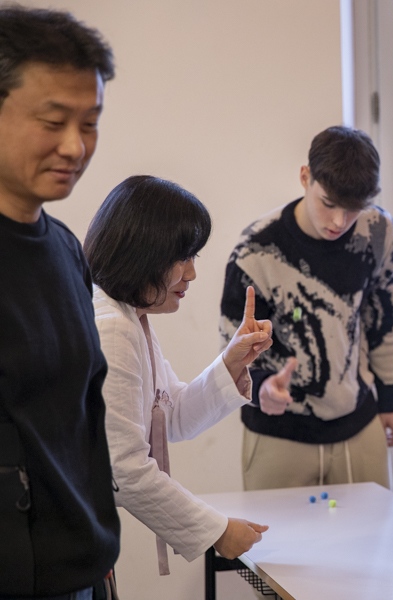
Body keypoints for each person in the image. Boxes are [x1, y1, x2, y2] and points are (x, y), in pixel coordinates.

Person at [84, 176, 272, 576]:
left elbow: (172, 416)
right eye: (183, 257)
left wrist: (232, 362)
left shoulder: (130, 319)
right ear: (143, 255)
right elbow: (125, 469)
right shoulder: (112, 328)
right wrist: (216, 531)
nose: (191, 274)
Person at [0, 6, 120, 599]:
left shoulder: (66, 249)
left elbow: (80, 421)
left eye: (91, 123)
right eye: (53, 121)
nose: (75, 146)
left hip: (77, 573)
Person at [220, 125, 393, 491]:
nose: (339, 222)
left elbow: (383, 321)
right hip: (279, 430)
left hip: (358, 422)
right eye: (329, 204)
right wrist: (261, 390)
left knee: (375, 541)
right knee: (278, 548)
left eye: (354, 210)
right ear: (305, 177)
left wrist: (392, 399)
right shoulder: (256, 250)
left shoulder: (379, 231)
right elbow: (232, 352)